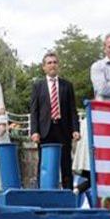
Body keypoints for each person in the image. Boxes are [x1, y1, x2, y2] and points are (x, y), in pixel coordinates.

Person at [29, 52, 82, 189]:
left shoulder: (67, 85)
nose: (52, 65)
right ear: (44, 67)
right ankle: (43, 193)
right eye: (49, 63)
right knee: (44, 164)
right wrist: (34, 131)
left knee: (65, 163)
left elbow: (72, 109)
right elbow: (34, 110)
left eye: (54, 62)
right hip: (45, 131)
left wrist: (76, 129)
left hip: (63, 130)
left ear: (58, 65)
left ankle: (68, 194)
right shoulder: (37, 86)